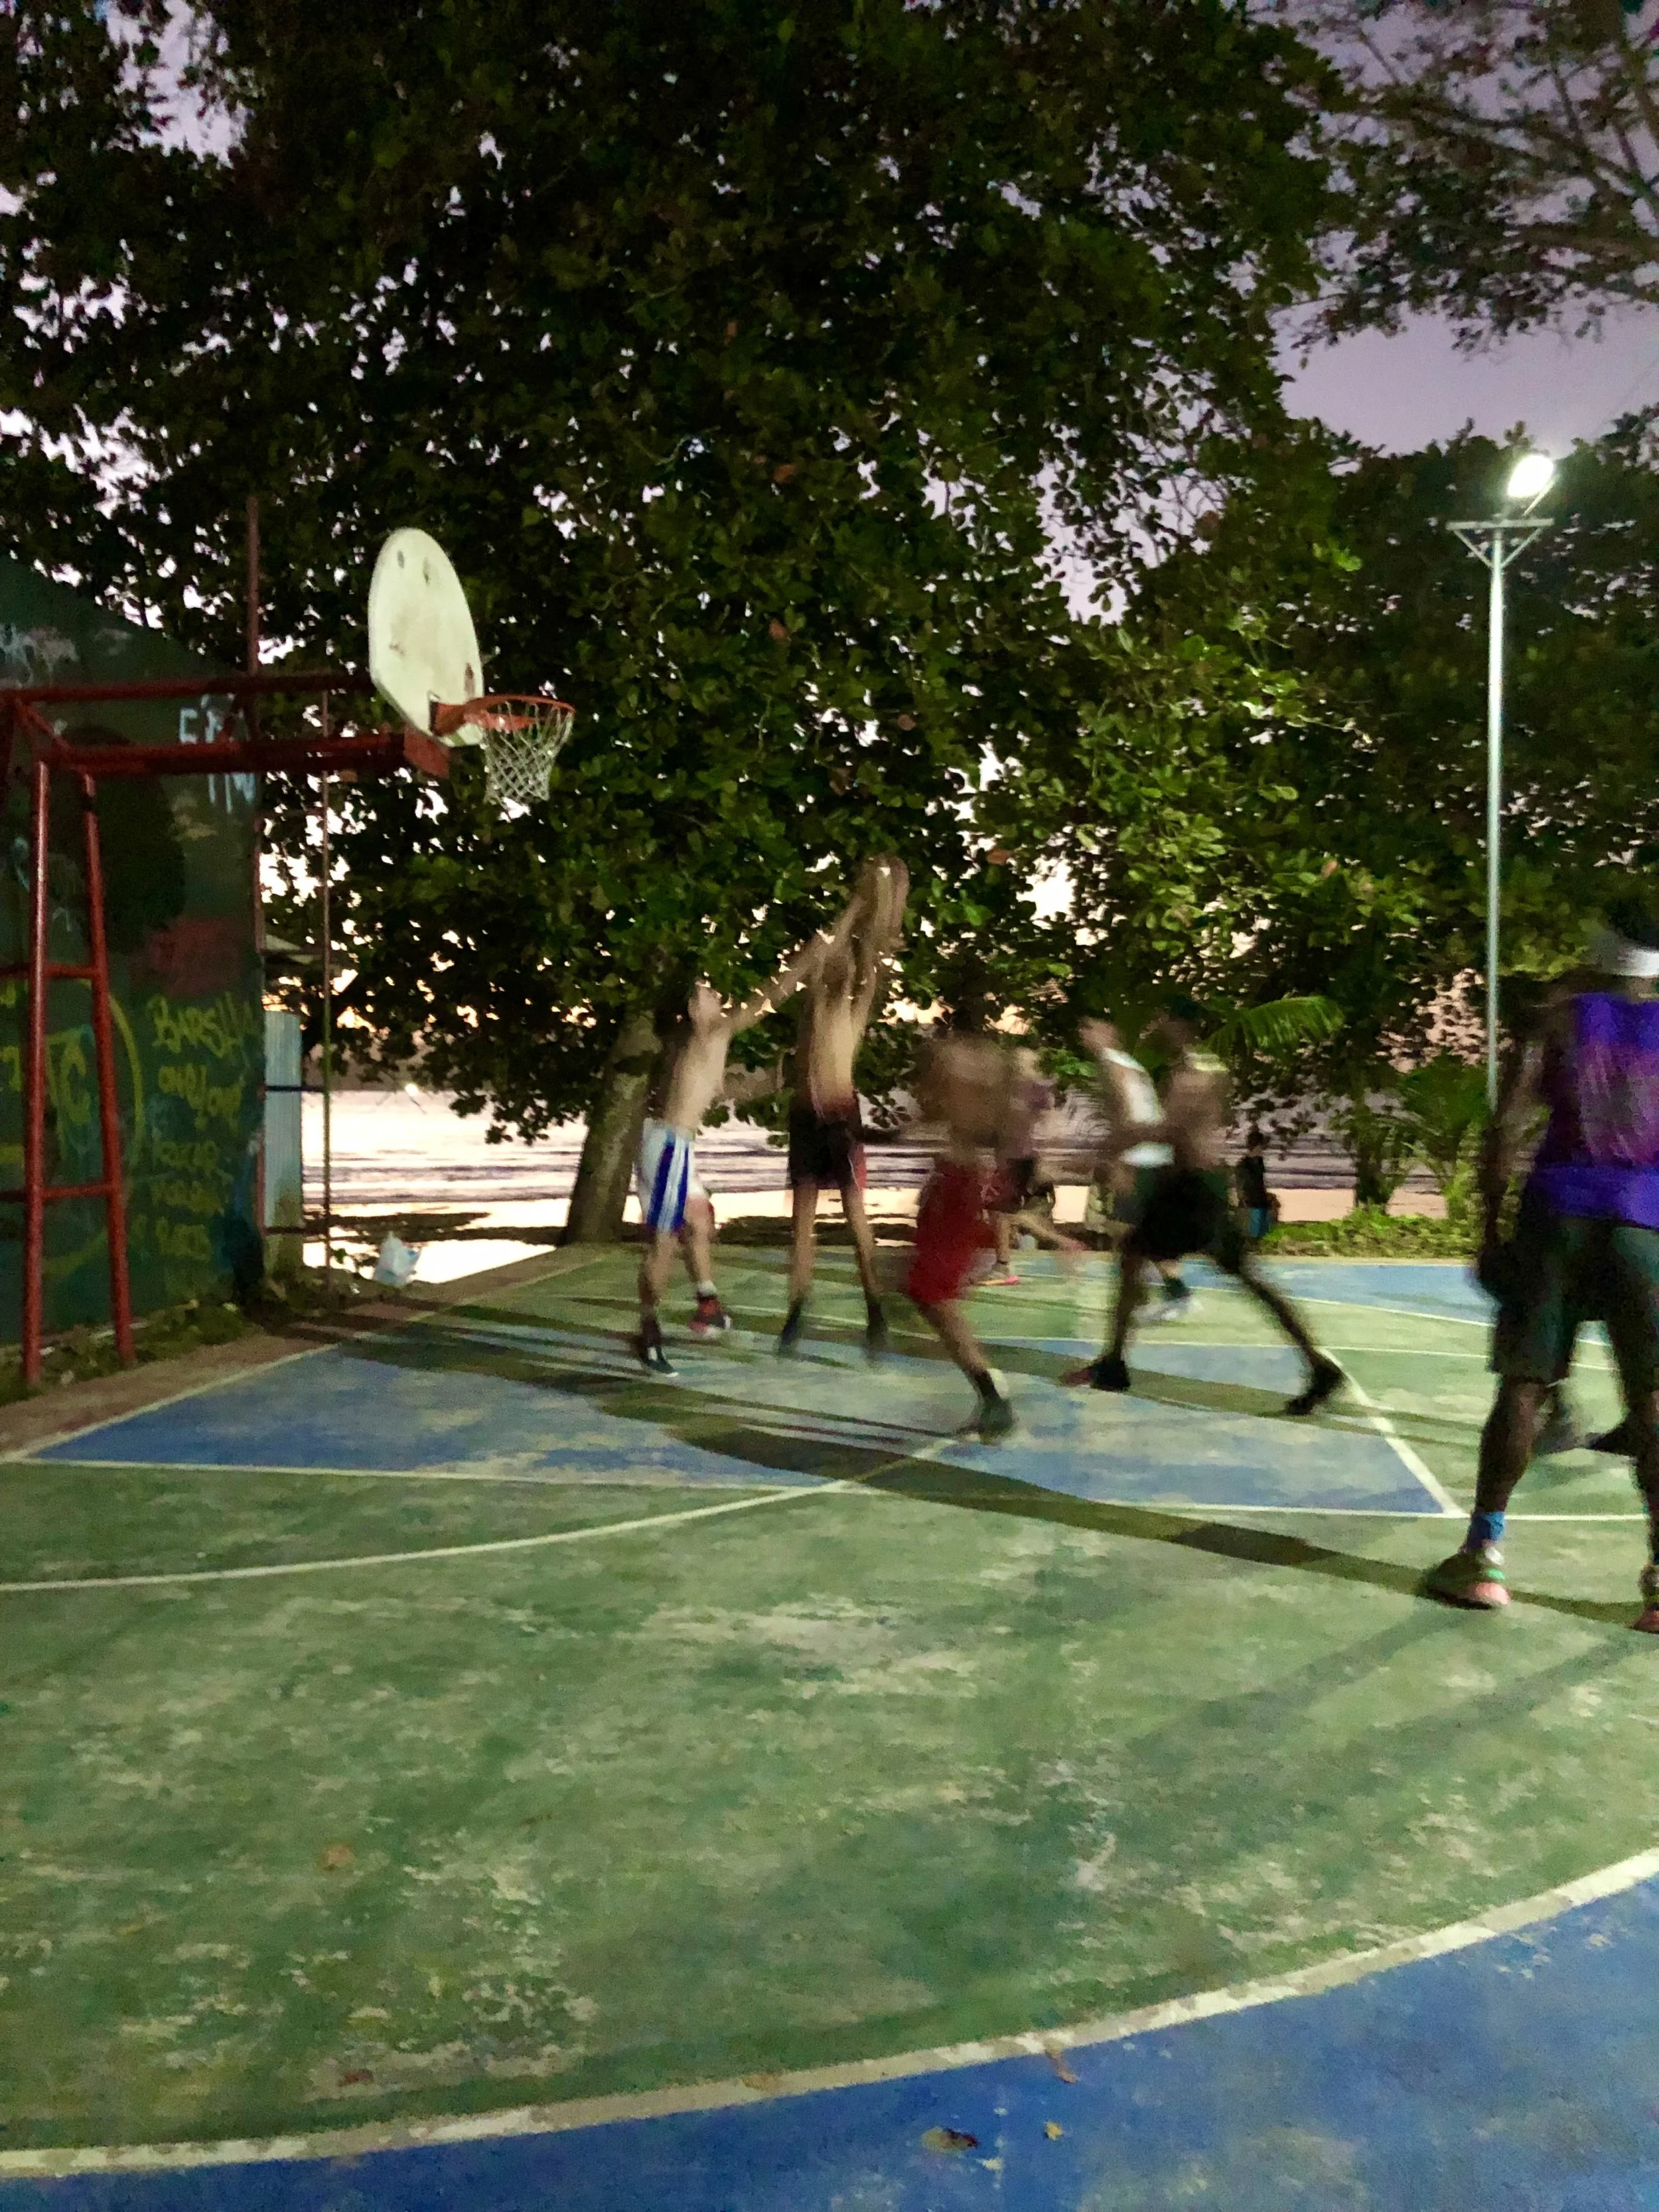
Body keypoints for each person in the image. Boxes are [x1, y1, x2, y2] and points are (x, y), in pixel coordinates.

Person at [1425, 901, 1659, 1625]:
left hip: (1557, 1213)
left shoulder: (1557, 1020)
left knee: (1524, 1383)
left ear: (1601, 942)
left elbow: (1504, 1131)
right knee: (1651, 1398)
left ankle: (1483, 1555)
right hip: (1643, 1222)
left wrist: (1489, 1230)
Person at [1068, 996, 1344, 1415]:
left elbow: (1167, 1131)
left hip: (1192, 1190)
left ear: (1180, 1025)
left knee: (1230, 1276)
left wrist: (1106, 1150)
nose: (1155, 1026)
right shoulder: (1194, 1068)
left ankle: (1115, 1363)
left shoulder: (1194, 1074)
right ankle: (1114, 1362)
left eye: (1162, 1019)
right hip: (1190, 1186)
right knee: (1138, 1263)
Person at [634, 914, 851, 1375]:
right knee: (663, 1243)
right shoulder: (711, 1031)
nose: (715, 995)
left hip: (671, 1145)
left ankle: (708, 1304)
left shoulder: (693, 1042)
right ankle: (649, 1334)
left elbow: (714, 1088)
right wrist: (820, 944)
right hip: (669, 1147)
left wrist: (767, 1080)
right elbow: (773, 994)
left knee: (699, 1221)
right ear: (695, 1010)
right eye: (705, 993)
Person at [779, 857, 908, 1359]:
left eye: (848, 967)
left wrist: (881, 919)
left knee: (857, 1221)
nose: (842, 967)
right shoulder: (813, 1003)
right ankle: (796, 1310)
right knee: (802, 1224)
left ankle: (876, 1311)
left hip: (838, 1116)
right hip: (808, 1118)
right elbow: (828, 951)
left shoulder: (853, 1007)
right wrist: (858, 903)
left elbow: (867, 965)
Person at [904, 1031, 1015, 1439]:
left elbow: (981, 1145)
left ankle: (992, 1393)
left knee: (933, 1296)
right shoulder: (968, 1099)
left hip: (958, 1194)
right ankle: (989, 1389)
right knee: (928, 1295)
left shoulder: (974, 1097)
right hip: (952, 1191)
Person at [1079, 1015, 1196, 1323]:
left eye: (1090, 1028)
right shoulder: (1130, 1064)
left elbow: (1126, 1111)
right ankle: (1163, 1292)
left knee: (1126, 1230)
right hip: (1151, 1155)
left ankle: (1167, 1293)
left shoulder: (1111, 1065)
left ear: (1109, 1032)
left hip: (1139, 1157)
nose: (1084, 1034)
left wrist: (1118, 1159)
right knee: (1135, 1231)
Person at [985, 1046, 1084, 1284]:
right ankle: (1063, 1245)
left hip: (1017, 1160)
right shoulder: (1011, 1090)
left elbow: (1049, 1123)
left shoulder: (1032, 1090)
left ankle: (1003, 1267)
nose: (1018, 1065)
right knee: (1005, 1213)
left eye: (1023, 1061)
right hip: (1012, 1160)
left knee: (1001, 1212)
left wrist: (1047, 1159)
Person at [1235, 1127, 1276, 1244]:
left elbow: (1260, 1181)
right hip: (1250, 1201)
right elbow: (1241, 1184)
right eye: (1261, 1147)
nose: (1263, 1150)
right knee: (1252, 1232)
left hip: (1260, 1199)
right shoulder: (1244, 1164)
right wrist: (1243, 1199)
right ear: (1257, 1146)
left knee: (1261, 1232)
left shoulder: (1259, 1161)